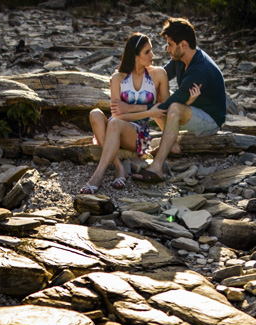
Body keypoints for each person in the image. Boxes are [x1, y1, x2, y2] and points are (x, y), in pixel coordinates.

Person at [131, 17, 226, 184]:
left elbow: (170, 105)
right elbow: (161, 75)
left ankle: (157, 168)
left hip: (210, 120)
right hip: (192, 107)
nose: (167, 49)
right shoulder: (181, 59)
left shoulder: (200, 70)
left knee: (174, 108)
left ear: (183, 45)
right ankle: (173, 144)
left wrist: (135, 111)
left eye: (170, 44)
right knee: (158, 94)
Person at [80, 33, 168, 194]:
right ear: (135, 56)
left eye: (151, 51)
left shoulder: (158, 74)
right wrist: (148, 109)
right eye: (147, 52)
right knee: (95, 114)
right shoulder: (118, 77)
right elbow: (117, 114)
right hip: (116, 125)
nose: (152, 55)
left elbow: (165, 107)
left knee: (114, 122)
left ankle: (98, 176)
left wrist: (135, 109)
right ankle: (119, 168)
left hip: (138, 133)